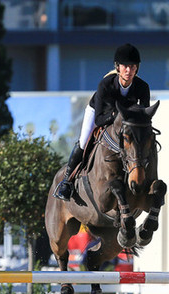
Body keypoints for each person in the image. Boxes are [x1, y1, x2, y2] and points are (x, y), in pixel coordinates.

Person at [54, 43, 151, 201]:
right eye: (125, 66)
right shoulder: (105, 85)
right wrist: (117, 116)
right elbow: (99, 119)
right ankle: (66, 182)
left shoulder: (142, 87)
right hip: (99, 114)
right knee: (84, 141)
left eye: (132, 67)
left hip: (124, 122)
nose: (129, 71)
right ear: (118, 67)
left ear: (137, 68)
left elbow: (144, 117)